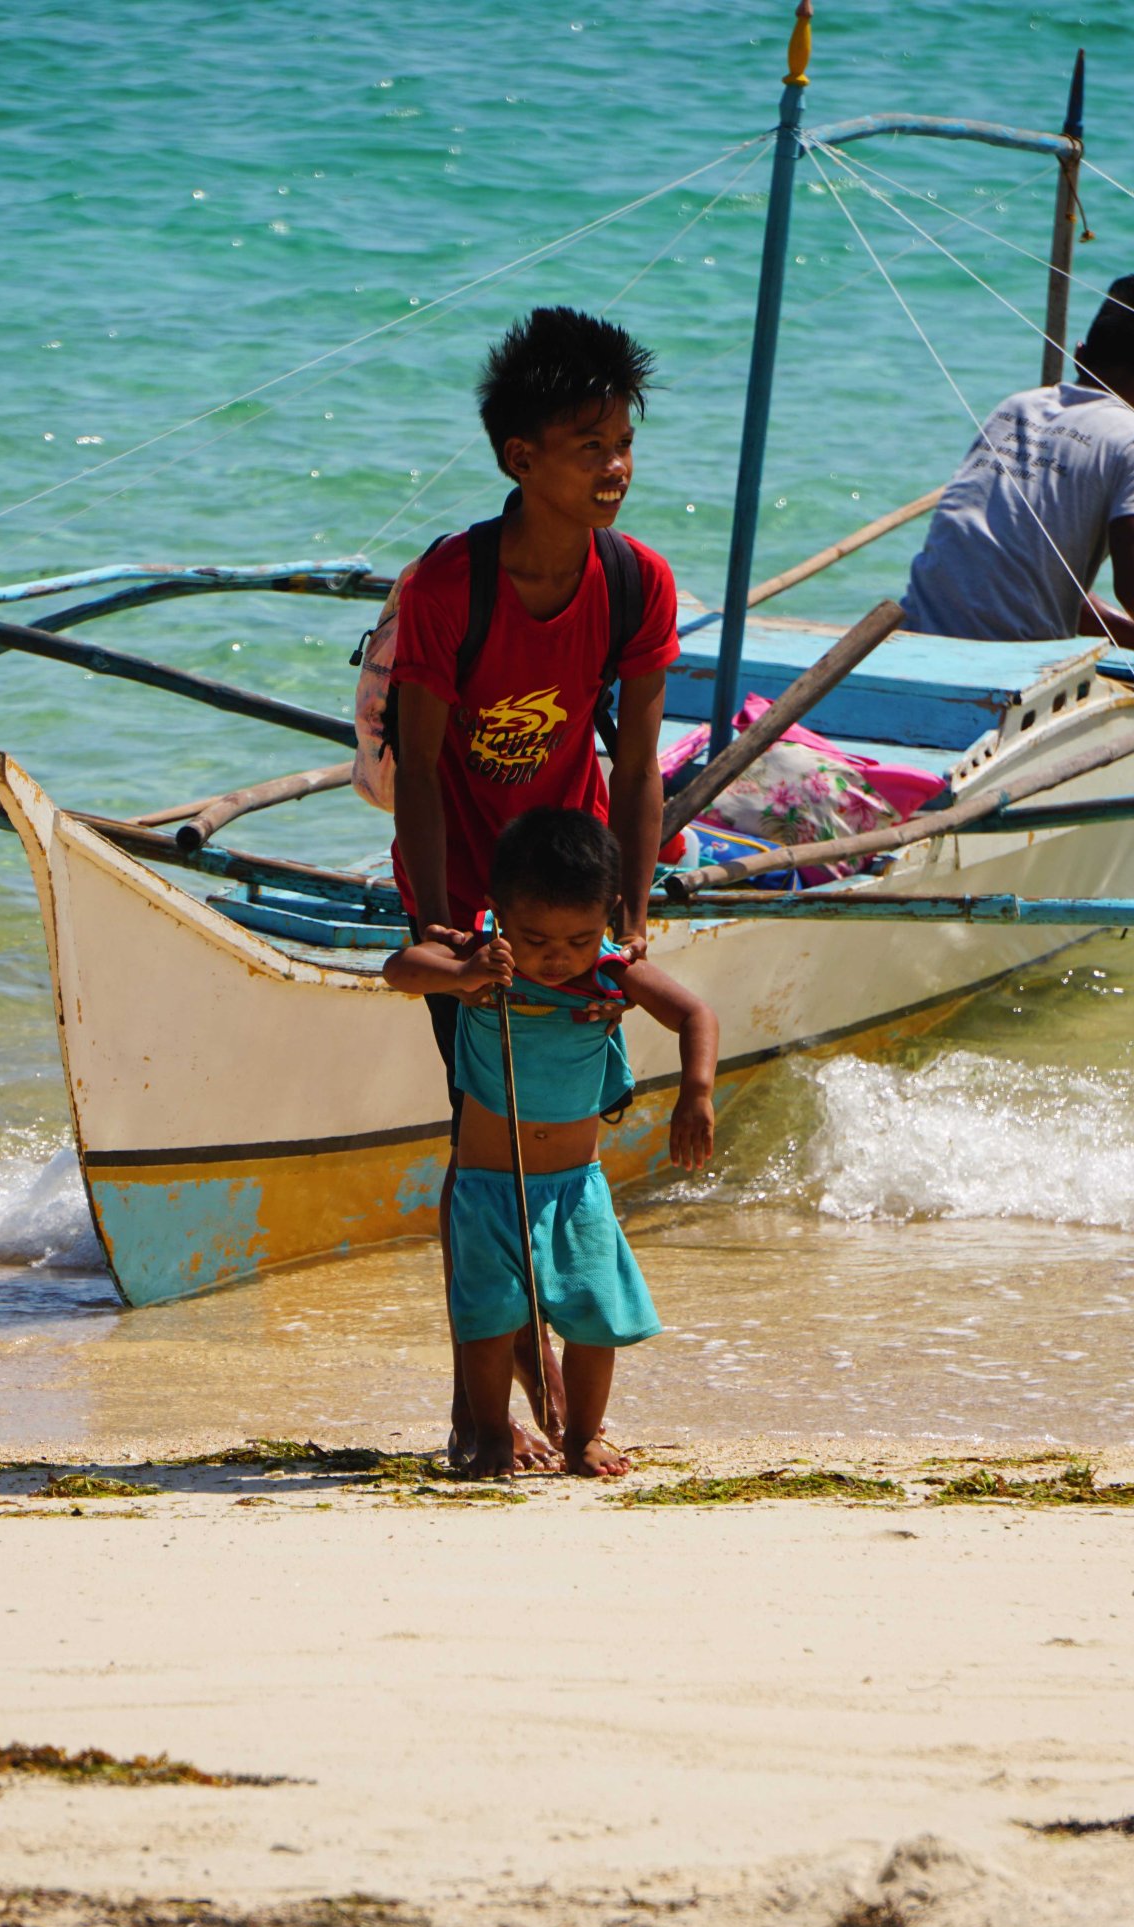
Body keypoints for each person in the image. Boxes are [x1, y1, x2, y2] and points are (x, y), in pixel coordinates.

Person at [389, 307, 680, 1468]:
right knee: (483, 1150)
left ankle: (555, 1394)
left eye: (624, 442)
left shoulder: (635, 581)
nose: (616, 467)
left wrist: (634, 918)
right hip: (472, 901)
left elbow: (641, 760)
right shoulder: (448, 585)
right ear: (521, 457)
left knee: (560, 1146)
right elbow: (417, 765)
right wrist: (439, 930)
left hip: (576, 902)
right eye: (589, 445)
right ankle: (490, 1411)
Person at [383, 809, 717, 1479]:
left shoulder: (610, 972)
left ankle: (582, 1438)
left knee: (593, 1320)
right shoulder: (482, 960)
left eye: (578, 938)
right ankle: (489, 1434)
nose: (557, 956)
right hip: (487, 1188)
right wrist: (463, 975)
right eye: (535, 938)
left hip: (575, 1190)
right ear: (498, 911)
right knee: (486, 1322)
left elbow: (694, 1013)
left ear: (609, 918)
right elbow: (400, 969)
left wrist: (697, 1093)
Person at [902, 273, 1134, 678]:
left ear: (1079, 354)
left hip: (914, 642)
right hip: (1006, 674)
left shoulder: (1015, 410)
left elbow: (1032, 586)